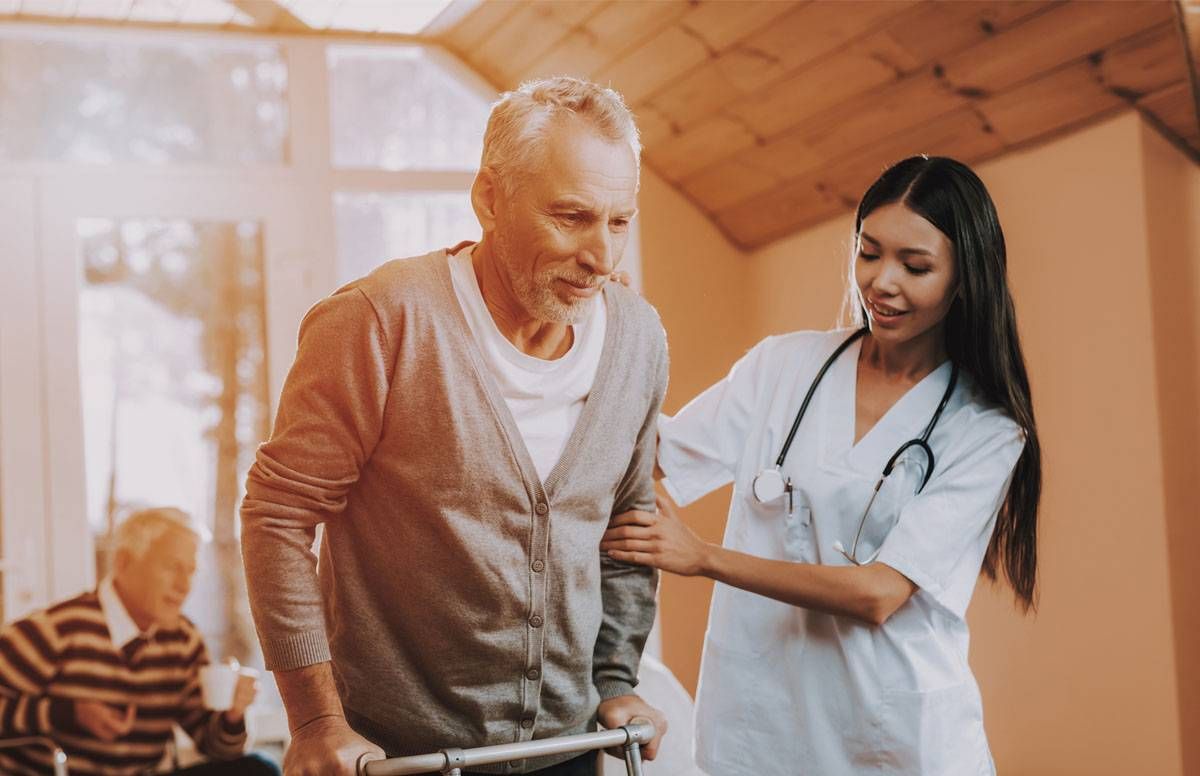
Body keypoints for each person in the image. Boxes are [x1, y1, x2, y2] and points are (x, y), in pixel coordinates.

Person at [241, 76, 669, 776]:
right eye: (572, 216)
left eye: (619, 221)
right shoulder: (381, 320)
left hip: (570, 751)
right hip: (397, 760)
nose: (602, 258)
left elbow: (627, 523)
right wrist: (315, 720)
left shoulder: (639, 339)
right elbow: (277, 515)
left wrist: (616, 679)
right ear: (489, 198)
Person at [601, 156, 1042, 775]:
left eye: (915, 266)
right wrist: (606, 331)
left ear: (965, 279)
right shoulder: (782, 366)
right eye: (869, 253)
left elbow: (879, 592)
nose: (882, 283)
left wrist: (703, 557)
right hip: (762, 728)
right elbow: (647, 459)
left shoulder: (986, 430)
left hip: (894, 741)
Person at [0, 507, 277, 776]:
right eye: (172, 567)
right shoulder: (57, 629)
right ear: (123, 562)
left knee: (259, 769)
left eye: (191, 571)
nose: (184, 585)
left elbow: (217, 747)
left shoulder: (183, 641)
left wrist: (232, 714)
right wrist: (67, 713)